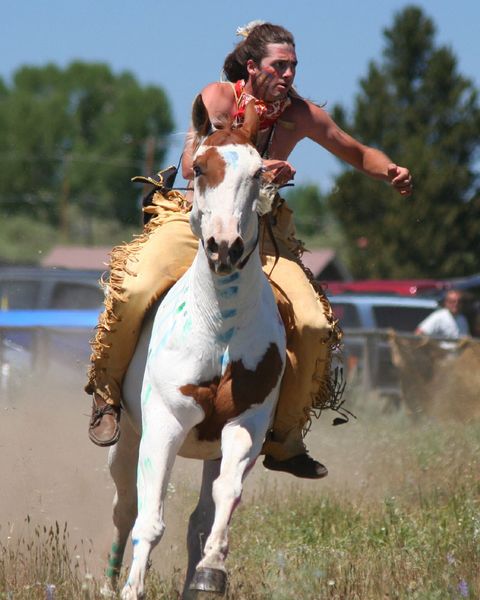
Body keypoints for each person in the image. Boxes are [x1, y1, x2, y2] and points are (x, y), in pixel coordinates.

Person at [86, 21, 412, 479]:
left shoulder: (300, 116)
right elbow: (191, 162)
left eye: (294, 66)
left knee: (316, 324)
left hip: (262, 228)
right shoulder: (218, 98)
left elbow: (355, 152)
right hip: (196, 218)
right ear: (253, 65)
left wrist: (390, 170)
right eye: (280, 65)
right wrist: (254, 165)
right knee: (135, 284)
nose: (289, 75)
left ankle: (284, 439)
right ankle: (106, 396)